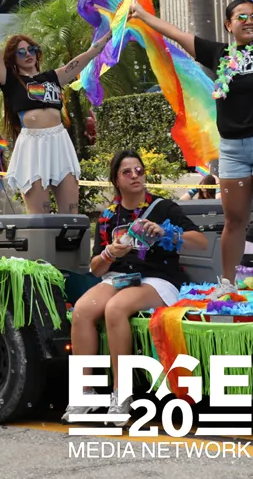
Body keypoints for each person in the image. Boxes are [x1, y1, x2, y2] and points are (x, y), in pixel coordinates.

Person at [130, 0, 253, 304]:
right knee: (234, 218)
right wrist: (143, 15)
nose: (249, 21)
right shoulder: (218, 55)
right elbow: (177, 34)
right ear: (228, 25)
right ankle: (227, 283)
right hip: (233, 148)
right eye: (241, 17)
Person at [63, 150, 206, 424]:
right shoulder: (109, 217)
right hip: (119, 276)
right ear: (116, 180)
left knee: (116, 308)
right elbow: (96, 269)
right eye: (127, 172)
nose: (135, 176)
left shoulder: (163, 208)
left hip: (158, 279)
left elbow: (200, 241)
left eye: (139, 170)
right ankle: (84, 393)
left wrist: (167, 232)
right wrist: (109, 253)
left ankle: (122, 394)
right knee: (81, 310)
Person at [0, 0, 112, 215]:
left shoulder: (52, 77)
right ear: (13, 59)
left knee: (70, 215)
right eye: (21, 52)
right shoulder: (10, 81)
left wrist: (108, 35)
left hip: (59, 142)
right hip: (32, 146)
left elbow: (86, 56)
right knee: (39, 218)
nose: (28, 54)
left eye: (31, 49)